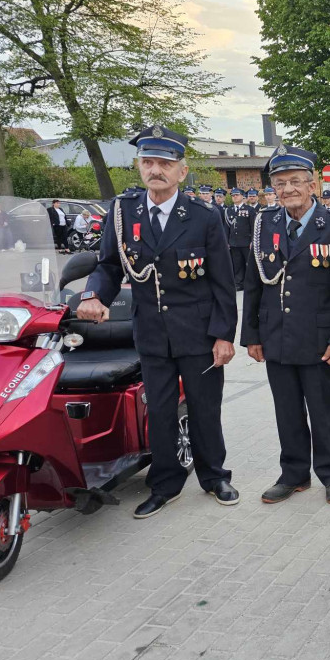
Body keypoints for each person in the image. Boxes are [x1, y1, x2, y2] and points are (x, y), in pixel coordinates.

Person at [77, 125, 239, 518]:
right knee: (161, 410)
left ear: (182, 172)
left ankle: (214, 475)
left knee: (204, 407)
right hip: (150, 332)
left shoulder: (203, 216)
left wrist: (223, 336)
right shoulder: (123, 211)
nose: (156, 170)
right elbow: (109, 266)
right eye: (148, 162)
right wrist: (94, 294)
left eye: (165, 164)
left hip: (197, 333)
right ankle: (165, 483)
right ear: (139, 167)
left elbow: (223, 281)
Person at [241, 145, 330, 505]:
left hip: (320, 339)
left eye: (294, 182)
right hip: (276, 337)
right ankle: (293, 474)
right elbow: (253, 284)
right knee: (286, 410)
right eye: (279, 183)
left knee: (323, 411)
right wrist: (251, 336)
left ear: (312, 185)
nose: (287, 189)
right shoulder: (264, 225)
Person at [224, 187, 252, 291]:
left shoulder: (249, 210)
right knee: (237, 265)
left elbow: (253, 226)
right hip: (234, 243)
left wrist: (252, 241)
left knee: (249, 264)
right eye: (233, 195)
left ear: (242, 196)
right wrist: (226, 241)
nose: (235, 197)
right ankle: (238, 283)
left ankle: (249, 283)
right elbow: (226, 227)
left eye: (237, 195)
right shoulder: (229, 210)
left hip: (246, 242)